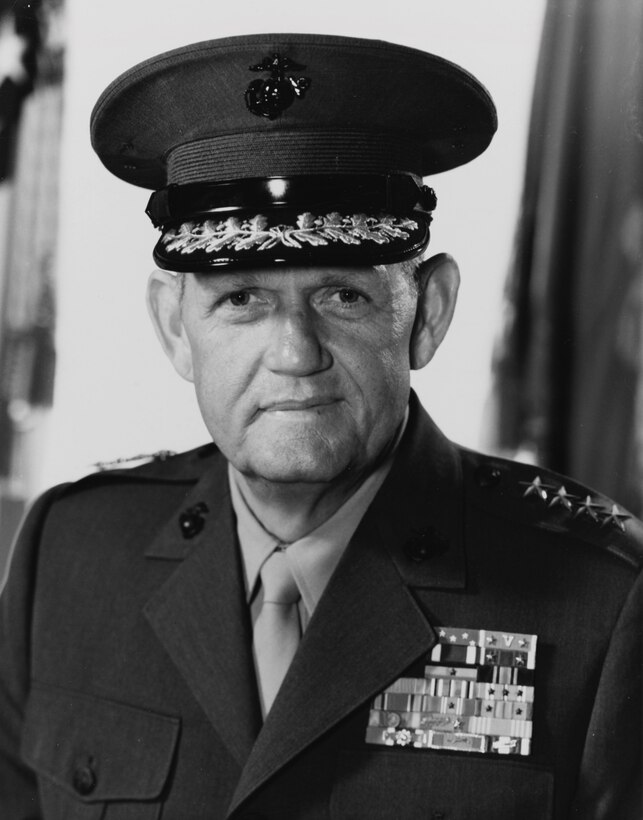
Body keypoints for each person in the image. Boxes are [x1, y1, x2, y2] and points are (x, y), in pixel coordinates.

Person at [0, 32, 640, 820]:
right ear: (174, 326)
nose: (295, 355)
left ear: (427, 313)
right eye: (241, 300)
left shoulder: (599, 601)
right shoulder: (72, 554)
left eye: (343, 296)